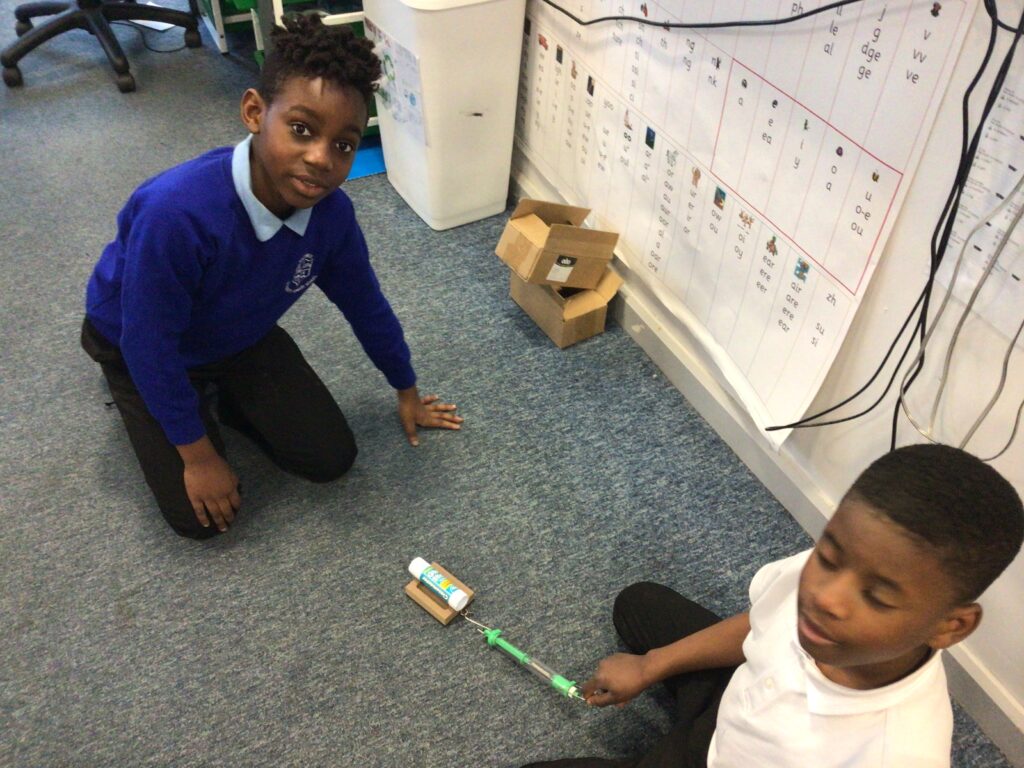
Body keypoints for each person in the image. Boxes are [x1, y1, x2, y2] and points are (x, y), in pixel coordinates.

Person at [81, 14, 462, 540]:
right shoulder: (176, 213)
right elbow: (148, 341)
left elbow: (365, 304)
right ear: (255, 112)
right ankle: (144, 394)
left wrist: (406, 388)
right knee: (199, 520)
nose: (321, 159)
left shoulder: (331, 215)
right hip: (135, 339)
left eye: (344, 145)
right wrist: (198, 457)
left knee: (331, 458)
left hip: (238, 332)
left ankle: (225, 397)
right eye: (302, 129)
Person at [523, 444, 1024, 768]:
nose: (825, 597)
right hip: (730, 714)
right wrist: (651, 665)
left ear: (950, 626)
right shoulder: (829, 578)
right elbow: (760, 625)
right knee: (638, 604)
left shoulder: (895, 753)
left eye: (876, 596)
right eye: (828, 556)